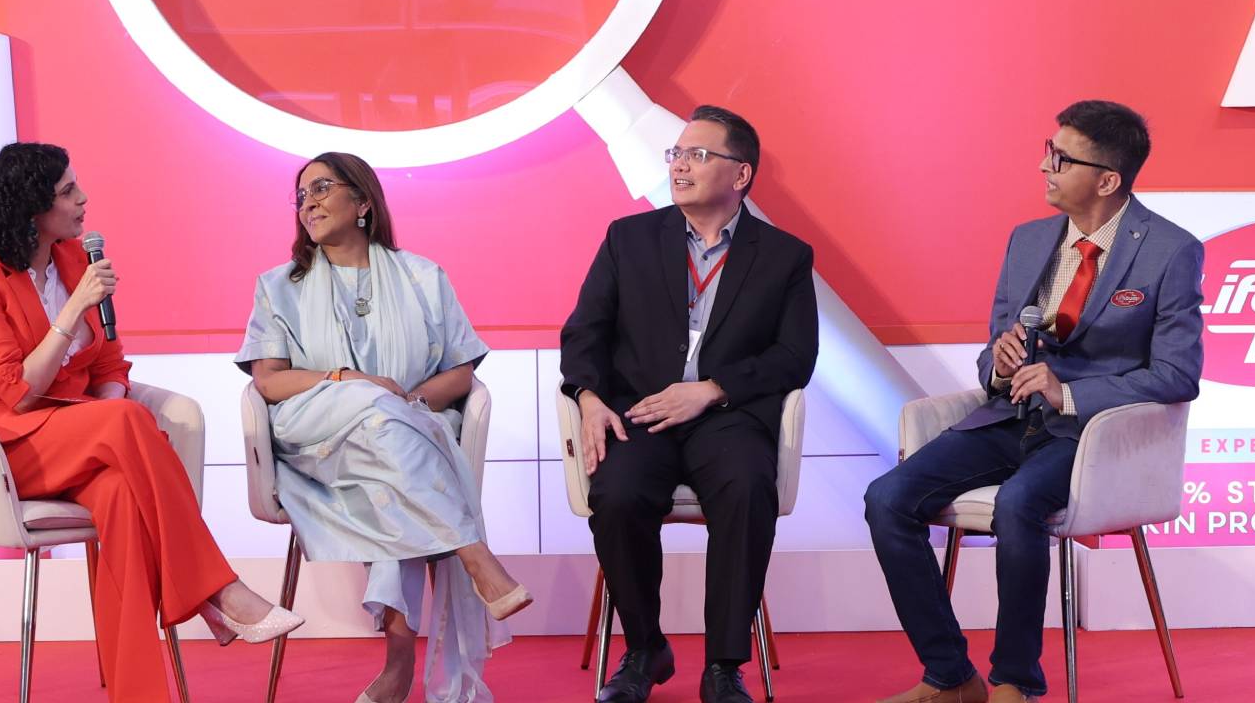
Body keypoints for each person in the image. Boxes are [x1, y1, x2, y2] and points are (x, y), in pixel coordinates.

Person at [864, 101, 1205, 703]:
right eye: (1050, 150)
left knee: (1019, 504)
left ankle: (1014, 682)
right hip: (1009, 417)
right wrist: (998, 365)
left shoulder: (1169, 251)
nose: (1044, 166)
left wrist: (1070, 392)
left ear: (1107, 179)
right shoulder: (1028, 241)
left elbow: (1179, 374)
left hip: (1093, 434)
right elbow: (992, 350)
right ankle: (949, 675)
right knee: (887, 498)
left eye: (1061, 158)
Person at [0, 142, 302, 702]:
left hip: (82, 438)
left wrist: (107, 408)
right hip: (10, 447)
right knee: (126, 421)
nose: (83, 199)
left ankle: (138, 693)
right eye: (67, 191)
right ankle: (217, 589)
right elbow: (15, 392)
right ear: (32, 207)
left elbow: (109, 361)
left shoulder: (73, 261)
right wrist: (70, 314)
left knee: (120, 493)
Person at [237, 151, 531, 703]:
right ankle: (473, 553)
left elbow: (461, 371)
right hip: (317, 437)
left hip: (403, 437)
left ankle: (397, 668)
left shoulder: (423, 276)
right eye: (300, 196)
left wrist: (405, 405)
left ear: (364, 201)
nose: (309, 203)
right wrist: (349, 381)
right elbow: (270, 383)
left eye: (322, 188)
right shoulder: (278, 286)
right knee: (380, 422)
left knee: (390, 468)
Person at [560, 105, 819, 703]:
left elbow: (794, 356)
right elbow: (584, 331)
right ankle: (646, 648)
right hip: (642, 413)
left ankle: (724, 665)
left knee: (749, 487)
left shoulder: (783, 255)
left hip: (725, 417)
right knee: (618, 493)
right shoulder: (629, 238)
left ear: (741, 175)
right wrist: (591, 397)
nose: (680, 165)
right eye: (676, 154)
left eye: (698, 155)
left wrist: (712, 388)